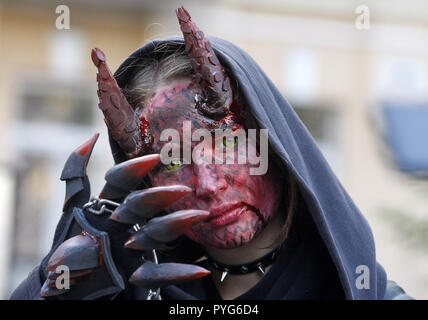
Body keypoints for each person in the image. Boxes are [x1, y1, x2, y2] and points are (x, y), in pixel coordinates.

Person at [10, 7, 411, 300]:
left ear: (273, 141)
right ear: (142, 177)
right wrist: (47, 288)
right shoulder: (126, 293)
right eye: (171, 159)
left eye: (229, 142)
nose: (208, 182)